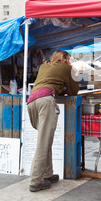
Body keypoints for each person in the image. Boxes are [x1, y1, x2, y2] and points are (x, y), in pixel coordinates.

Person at [27, 50, 79, 192]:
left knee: (45, 139)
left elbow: (48, 83)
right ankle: (35, 181)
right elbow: (73, 91)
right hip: (45, 102)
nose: (69, 62)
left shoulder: (44, 65)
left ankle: (48, 174)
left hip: (31, 102)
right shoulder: (66, 67)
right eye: (68, 60)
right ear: (65, 59)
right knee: (43, 142)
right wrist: (75, 71)